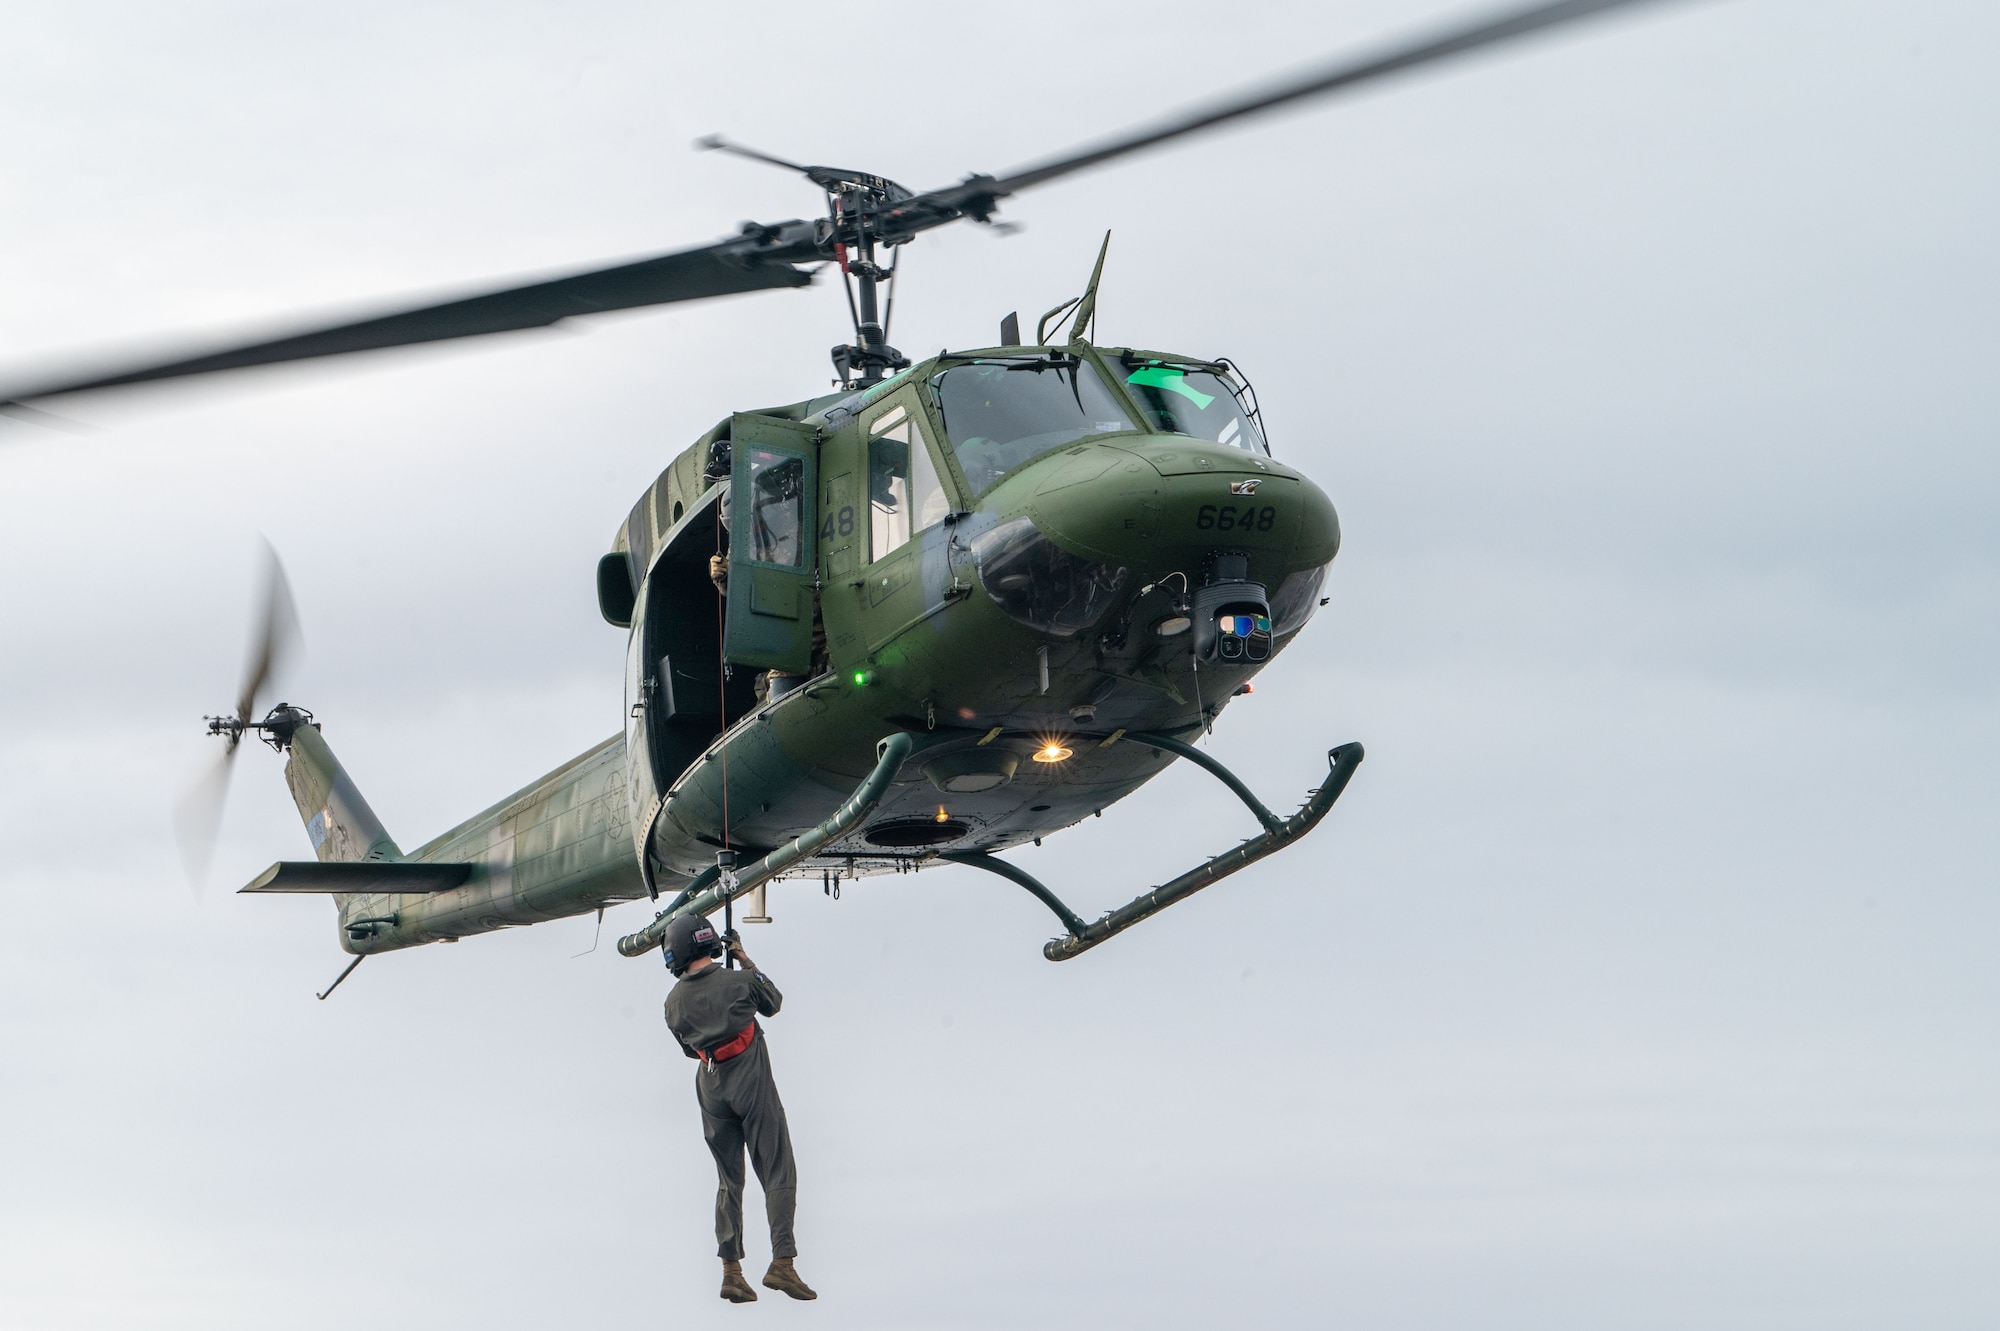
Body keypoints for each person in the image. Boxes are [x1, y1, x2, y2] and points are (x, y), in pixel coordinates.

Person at [660, 913, 816, 1303]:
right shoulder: (740, 982)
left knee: (729, 1179)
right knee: (777, 1167)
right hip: (750, 1076)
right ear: (708, 942)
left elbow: (687, 1049)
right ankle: (783, 1262)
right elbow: (774, 1002)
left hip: (710, 1084)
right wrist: (744, 958)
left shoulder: (671, 1004)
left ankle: (731, 1271)